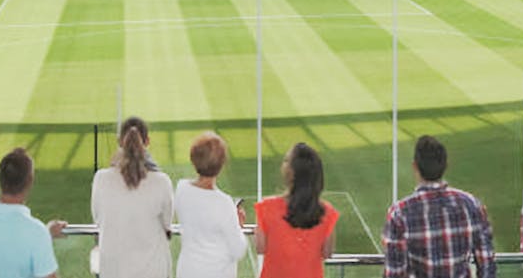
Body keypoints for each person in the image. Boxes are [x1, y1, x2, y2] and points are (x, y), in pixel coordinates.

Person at [382, 135, 496, 278]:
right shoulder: (472, 205)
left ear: (415, 167)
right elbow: (487, 265)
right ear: (446, 165)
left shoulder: (399, 213)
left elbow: (394, 273)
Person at [91, 116, 173, 278]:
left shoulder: (101, 178)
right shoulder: (162, 181)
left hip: (113, 271)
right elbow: (167, 225)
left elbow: (98, 219)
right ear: (147, 141)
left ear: (119, 141)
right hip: (153, 271)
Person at [0, 148, 67, 278]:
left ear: (0, 177)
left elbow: (4, 245)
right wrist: (44, 235)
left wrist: (45, 234)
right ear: (30, 181)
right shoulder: (36, 232)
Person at [254, 142, 339, 278]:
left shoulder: (266, 207)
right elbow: (327, 253)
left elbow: (260, 247)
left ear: (291, 172)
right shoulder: (327, 212)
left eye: (286, 160)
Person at [175, 131, 247, 278]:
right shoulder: (224, 203)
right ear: (222, 164)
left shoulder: (181, 189)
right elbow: (238, 250)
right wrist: (239, 226)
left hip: (187, 272)